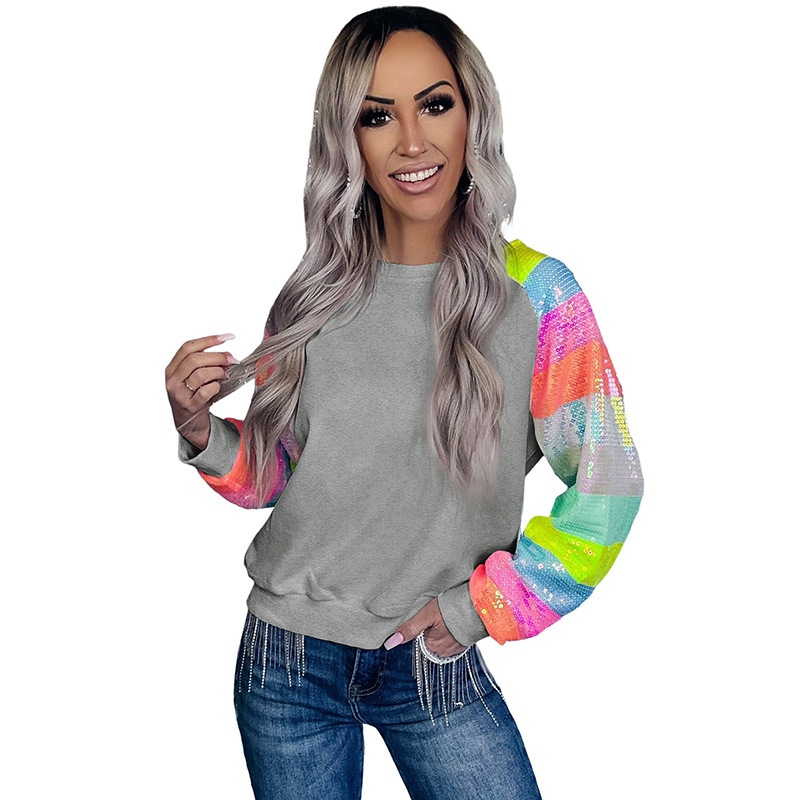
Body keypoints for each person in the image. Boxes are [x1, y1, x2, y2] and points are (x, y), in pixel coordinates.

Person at [164, 6, 644, 799]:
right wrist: (199, 431)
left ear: (472, 114)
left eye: (435, 104)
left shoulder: (538, 296)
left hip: (430, 658)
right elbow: (280, 475)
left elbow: (610, 484)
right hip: (285, 661)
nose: (413, 141)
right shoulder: (315, 296)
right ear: (346, 139)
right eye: (377, 116)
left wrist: (478, 610)